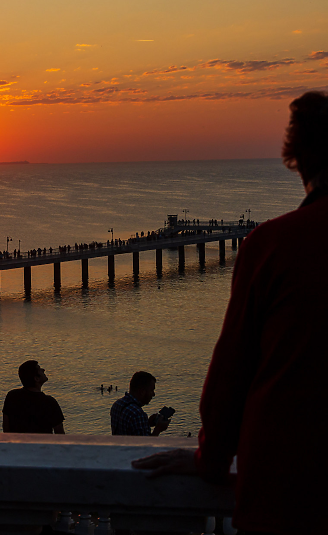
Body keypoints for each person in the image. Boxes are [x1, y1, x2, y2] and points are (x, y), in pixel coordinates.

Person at [132, 91, 328, 534]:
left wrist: (211, 458)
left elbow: (230, 375)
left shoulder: (273, 246)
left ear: (295, 159)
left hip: (287, 489)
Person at [2, 360, 65, 434]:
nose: (43, 370)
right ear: (36, 379)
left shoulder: (12, 396)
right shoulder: (49, 402)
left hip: (17, 444)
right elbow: (60, 433)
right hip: (41, 445)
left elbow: (6, 427)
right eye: (39, 369)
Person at [110, 371, 169, 436]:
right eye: (151, 390)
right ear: (142, 392)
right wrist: (158, 429)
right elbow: (146, 445)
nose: (153, 394)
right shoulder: (138, 414)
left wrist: (147, 423)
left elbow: (127, 429)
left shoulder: (117, 404)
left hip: (118, 445)